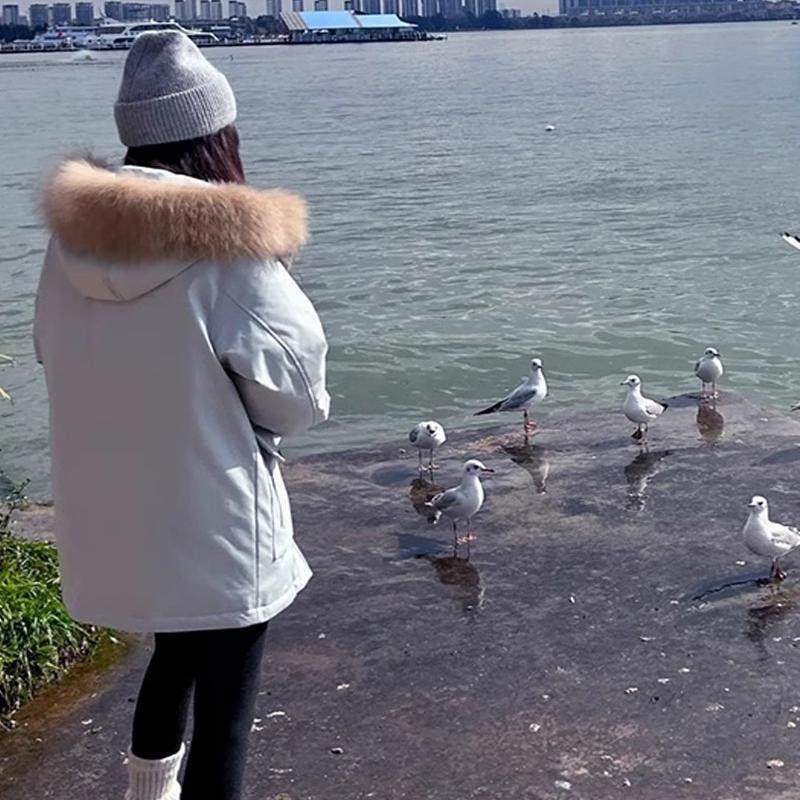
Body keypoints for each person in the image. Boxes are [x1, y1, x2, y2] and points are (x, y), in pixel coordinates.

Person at [34, 31, 329, 800]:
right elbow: (299, 390)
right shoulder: (228, 249)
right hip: (216, 521)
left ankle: (148, 794)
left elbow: (51, 352)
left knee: (174, 656)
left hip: (119, 519)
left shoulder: (70, 246)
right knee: (227, 713)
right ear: (216, 135)